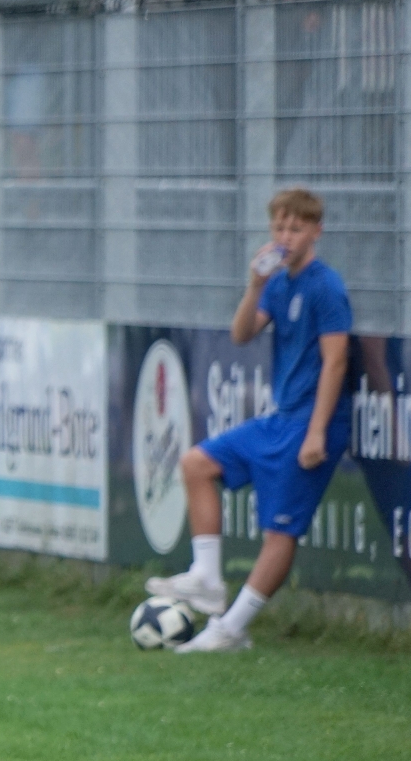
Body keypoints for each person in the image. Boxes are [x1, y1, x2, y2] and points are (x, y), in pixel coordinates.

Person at [148, 188, 352, 652]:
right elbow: (241, 334)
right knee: (196, 463)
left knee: (280, 530)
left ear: (316, 231)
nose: (286, 237)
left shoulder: (326, 287)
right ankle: (207, 578)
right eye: (279, 227)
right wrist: (256, 285)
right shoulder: (278, 284)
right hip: (278, 418)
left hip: (310, 423)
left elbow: (336, 361)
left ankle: (230, 630)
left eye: (296, 228)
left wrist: (317, 432)